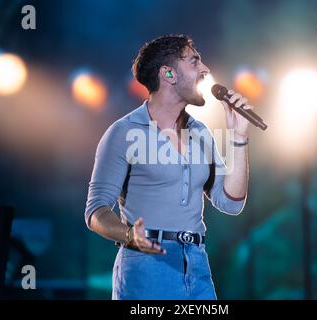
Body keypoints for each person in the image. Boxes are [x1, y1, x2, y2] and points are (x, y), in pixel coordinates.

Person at [85, 34, 252, 300]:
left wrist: (239, 137)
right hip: (147, 265)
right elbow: (96, 211)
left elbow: (231, 203)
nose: (205, 70)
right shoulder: (123, 132)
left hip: (197, 266)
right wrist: (128, 235)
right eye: (195, 61)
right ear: (169, 74)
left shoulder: (202, 133)